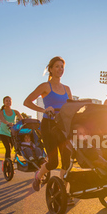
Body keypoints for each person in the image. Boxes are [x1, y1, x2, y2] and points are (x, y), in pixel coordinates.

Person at [24, 56, 72, 192]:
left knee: (67, 161)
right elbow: (27, 102)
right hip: (49, 126)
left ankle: (62, 191)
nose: (60, 69)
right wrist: (44, 110)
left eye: (62, 67)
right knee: (53, 162)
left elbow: (71, 108)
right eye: (57, 66)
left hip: (63, 127)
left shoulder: (67, 89)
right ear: (50, 69)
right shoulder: (45, 86)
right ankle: (38, 176)